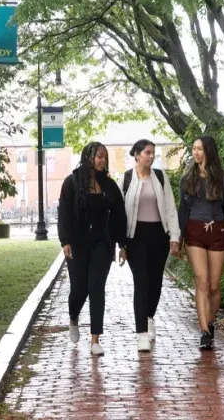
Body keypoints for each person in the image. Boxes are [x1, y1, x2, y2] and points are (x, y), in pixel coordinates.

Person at [58, 141, 127, 356]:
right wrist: (65, 241)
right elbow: (64, 214)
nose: (102, 160)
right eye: (99, 156)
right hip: (77, 244)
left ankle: (95, 339)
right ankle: (73, 317)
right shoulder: (71, 182)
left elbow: (119, 216)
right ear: (88, 157)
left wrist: (122, 244)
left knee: (96, 288)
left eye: (105, 157)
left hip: (101, 245)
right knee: (79, 289)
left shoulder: (109, 184)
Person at [178, 135, 224, 350]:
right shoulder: (187, 177)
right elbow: (183, 210)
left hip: (218, 231)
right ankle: (204, 331)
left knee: (215, 287)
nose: (195, 152)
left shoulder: (223, 178)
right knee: (202, 282)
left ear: (209, 151)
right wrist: (178, 237)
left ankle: (211, 320)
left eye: (200, 149)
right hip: (194, 231)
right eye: (194, 149)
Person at [118, 139, 180, 351]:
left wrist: (175, 236)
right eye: (147, 152)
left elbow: (171, 208)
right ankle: (141, 332)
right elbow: (117, 214)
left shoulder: (161, 178)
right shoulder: (125, 179)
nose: (151, 156)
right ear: (136, 154)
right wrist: (121, 243)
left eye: (153, 153)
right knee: (141, 282)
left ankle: (150, 316)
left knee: (155, 283)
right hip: (135, 237)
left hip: (158, 236)